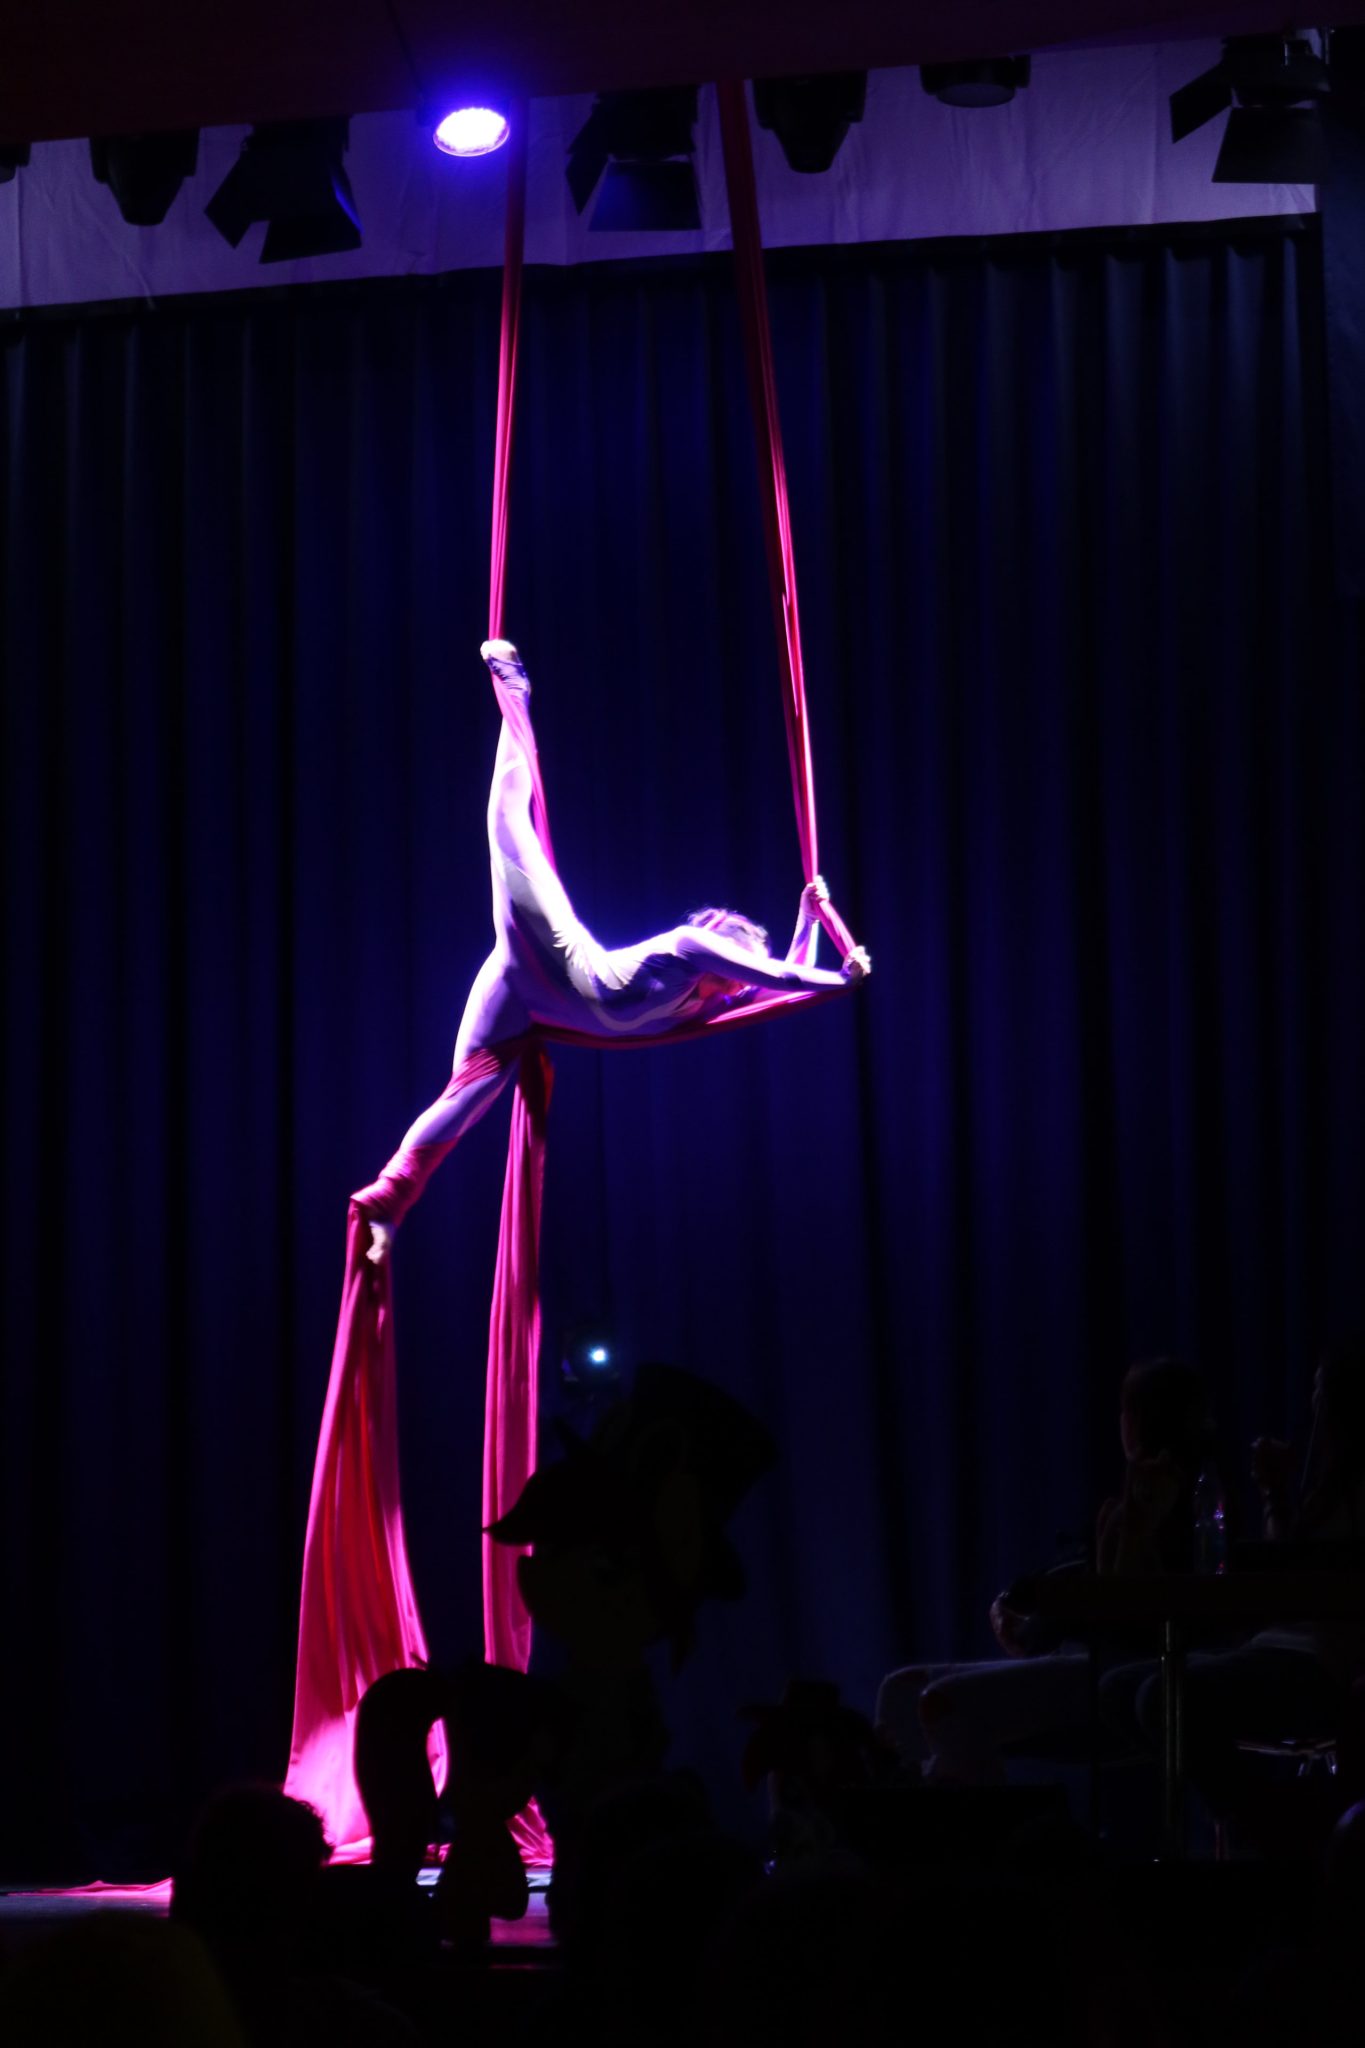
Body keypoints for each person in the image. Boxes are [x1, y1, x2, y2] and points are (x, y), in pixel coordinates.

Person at [358, 640, 870, 1262]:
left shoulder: (710, 1004)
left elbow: (782, 980)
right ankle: (514, 694)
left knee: (461, 1099)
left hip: (523, 1004)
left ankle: (386, 1209)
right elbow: (785, 977)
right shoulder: (691, 948)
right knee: (505, 821)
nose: (741, 984)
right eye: (738, 969)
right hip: (550, 950)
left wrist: (807, 918)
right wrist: (841, 979)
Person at [875, 1357, 1211, 1784]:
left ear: (1133, 1422)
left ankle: (986, 1827)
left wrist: (1129, 1530)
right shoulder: (1126, 1506)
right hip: (1085, 1658)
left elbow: (1130, 1612)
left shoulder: (1188, 1504)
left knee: (942, 1703)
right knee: (901, 1692)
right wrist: (1034, 1624)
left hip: (1125, 1672)